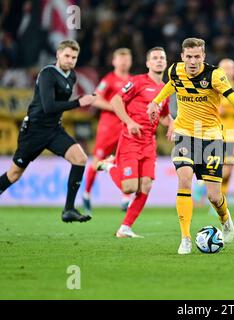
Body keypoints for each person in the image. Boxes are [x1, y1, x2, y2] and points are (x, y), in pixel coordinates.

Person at [148, 38, 234, 254]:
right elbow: (170, 86)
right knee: (184, 180)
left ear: (204, 57)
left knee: (214, 196)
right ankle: (185, 238)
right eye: (188, 56)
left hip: (211, 138)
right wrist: (155, 101)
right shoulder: (175, 71)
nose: (192, 61)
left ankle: (225, 219)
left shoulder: (215, 75)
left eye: (197, 56)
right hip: (185, 135)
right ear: (182, 57)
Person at [0, 40, 96, 222]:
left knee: (80, 158)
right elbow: (49, 106)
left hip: (53, 130)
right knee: (14, 174)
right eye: (67, 56)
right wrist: (78, 102)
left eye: (74, 57)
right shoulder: (47, 74)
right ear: (58, 55)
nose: (70, 60)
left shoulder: (72, 76)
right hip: (34, 131)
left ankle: (69, 210)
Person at [96, 47, 173, 238]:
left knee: (146, 186)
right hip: (131, 140)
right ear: (148, 63)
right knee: (129, 188)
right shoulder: (137, 82)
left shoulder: (165, 89)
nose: (159, 60)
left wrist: (172, 124)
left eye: (161, 58)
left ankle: (125, 228)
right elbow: (115, 100)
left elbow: (163, 116)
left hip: (149, 142)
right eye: (154, 58)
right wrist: (129, 122)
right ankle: (109, 166)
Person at [193, 58, 234, 211]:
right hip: (214, 133)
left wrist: (227, 109)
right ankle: (205, 187)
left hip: (232, 134)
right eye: (225, 68)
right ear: (219, 70)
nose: (229, 71)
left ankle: (215, 200)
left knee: (228, 171)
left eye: (231, 68)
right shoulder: (213, 88)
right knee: (215, 166)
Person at [83, 48, 133, 215]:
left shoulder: (133, 81)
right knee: (97, 159)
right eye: (120, 59)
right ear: (114, 62)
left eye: (126, 59)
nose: (124, 62)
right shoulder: (109, 79)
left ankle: (126, 197)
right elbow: (95, 98)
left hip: (125, 126)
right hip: (108, 127)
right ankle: (87, 193)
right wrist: (114, 107)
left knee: (127, 159)